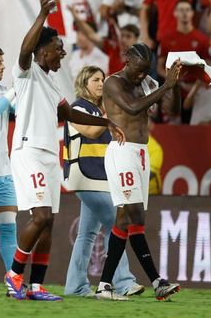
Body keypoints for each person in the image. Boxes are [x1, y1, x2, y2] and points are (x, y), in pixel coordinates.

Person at [10, 0, 121, 301]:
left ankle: (35, 286)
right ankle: (15, 273)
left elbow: (68, 113)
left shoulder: (50, 83)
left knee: (49, 224)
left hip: (48, 157)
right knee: (41, 216)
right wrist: (43, 14)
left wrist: (106, 123)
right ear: (43, 50)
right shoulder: (27, 72)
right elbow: (24, 49)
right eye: (58, 48)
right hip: (28, 152)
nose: (62, 54)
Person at [96, 43, 181, 301]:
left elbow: (172, 110)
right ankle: (156, 281)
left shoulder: (147, 83)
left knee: (131, 219)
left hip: (140, 154)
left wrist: (173, 84)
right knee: (132, 214)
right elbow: (132, 108)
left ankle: (105, 286)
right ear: (127, 59)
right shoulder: (114, 83)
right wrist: (165, 86)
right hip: (122, 152)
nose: (141, 75)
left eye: (146, 71)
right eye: (139, 70)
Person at [63, 66, 141, 298]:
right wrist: (110, 113)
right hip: (83, 174)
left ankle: (75, 287)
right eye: (95, 79)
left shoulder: (100, 109)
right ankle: (124, 282)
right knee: (114, 224)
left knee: (86, 234)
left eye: (102, 80)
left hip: (100, 177)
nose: (100, 84)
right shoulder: (78, 107)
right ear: (83, 83)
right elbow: (91, 131)